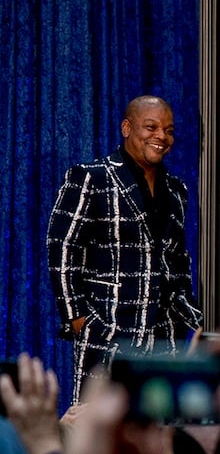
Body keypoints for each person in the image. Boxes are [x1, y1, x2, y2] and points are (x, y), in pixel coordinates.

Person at [47, 96, 203, 401]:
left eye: (169, 130)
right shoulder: (91, 177)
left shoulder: (176, 190)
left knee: (159, 436)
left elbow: (178, 259)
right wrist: (79, 319)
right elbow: (62, 247)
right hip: (107, 333)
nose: (162, 136)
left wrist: (189, 316)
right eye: (152, 127)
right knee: (99, 435)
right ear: (127, 128)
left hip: (164, 339)